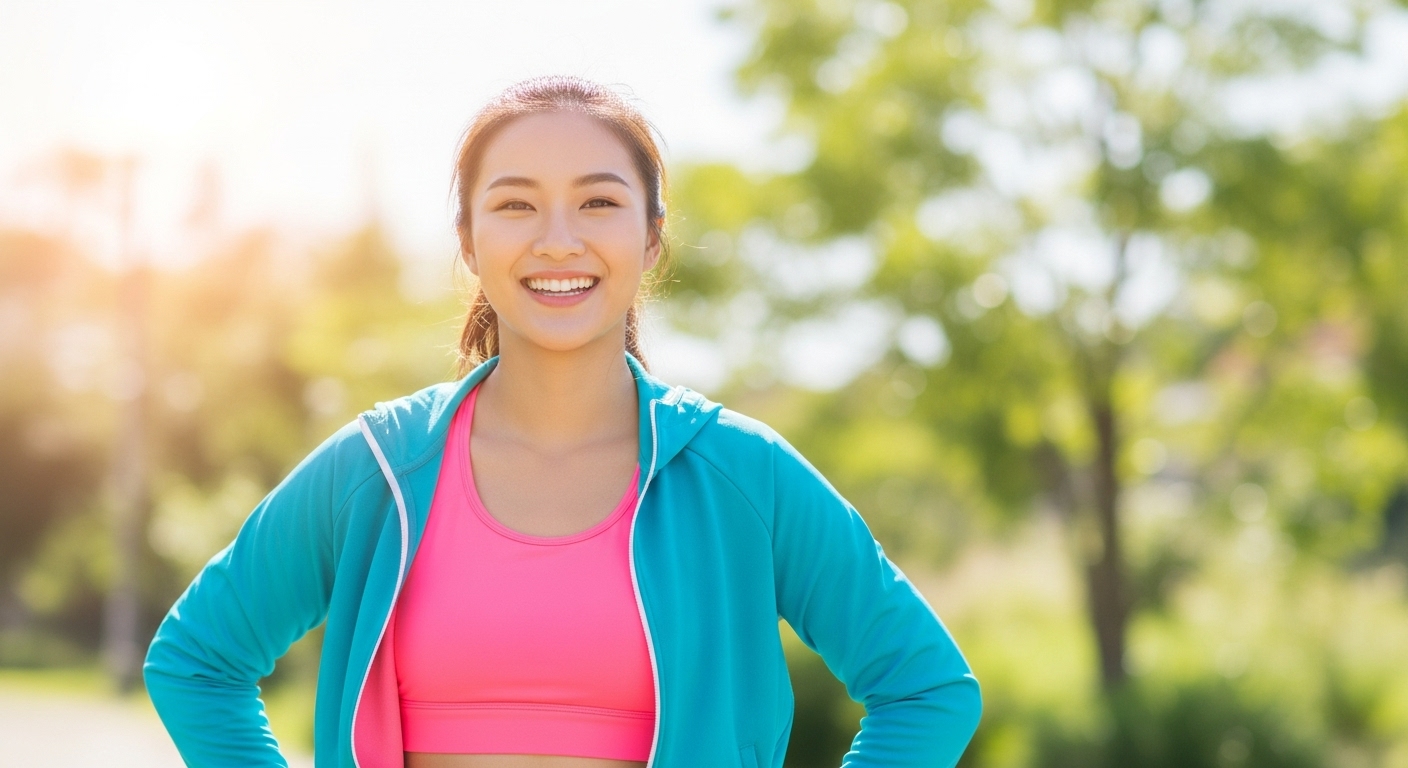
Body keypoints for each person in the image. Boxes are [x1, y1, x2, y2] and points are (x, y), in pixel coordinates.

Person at [143, 75, 981, 768]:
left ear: (651, 239)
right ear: (468, 241)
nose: (557, 240)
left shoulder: (740, 473)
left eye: (598, 203)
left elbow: (927, 690)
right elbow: (197, 660)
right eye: (514, 206)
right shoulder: (380, 467)